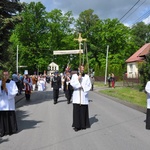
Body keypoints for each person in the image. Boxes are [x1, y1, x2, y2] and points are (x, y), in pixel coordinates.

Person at [70, 64, 91, 132]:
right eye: (81, 68)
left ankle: (83, 124)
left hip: (83, 94)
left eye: (83, 68)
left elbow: (89, 85)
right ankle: (77, 125)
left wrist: (83, 87)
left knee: (83, 110)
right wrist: (78, 80)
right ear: (78, 68)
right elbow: (72, 83)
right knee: (76, 111)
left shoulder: (87, 77)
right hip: (76, 95)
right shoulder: (74, 76)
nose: (82, 69)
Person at [0, 70, 18, 137]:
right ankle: (3, 131)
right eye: (4, 75)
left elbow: (15, 91)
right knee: (2, 117)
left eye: (7, 75)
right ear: (2, 75)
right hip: (2, 103)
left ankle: (11, 130)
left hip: (9, 102)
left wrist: (8, 91)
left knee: (10, 116)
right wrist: (1, 89)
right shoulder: (0, 82)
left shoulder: (12, 82)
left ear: (9, 75)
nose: (5, 76)